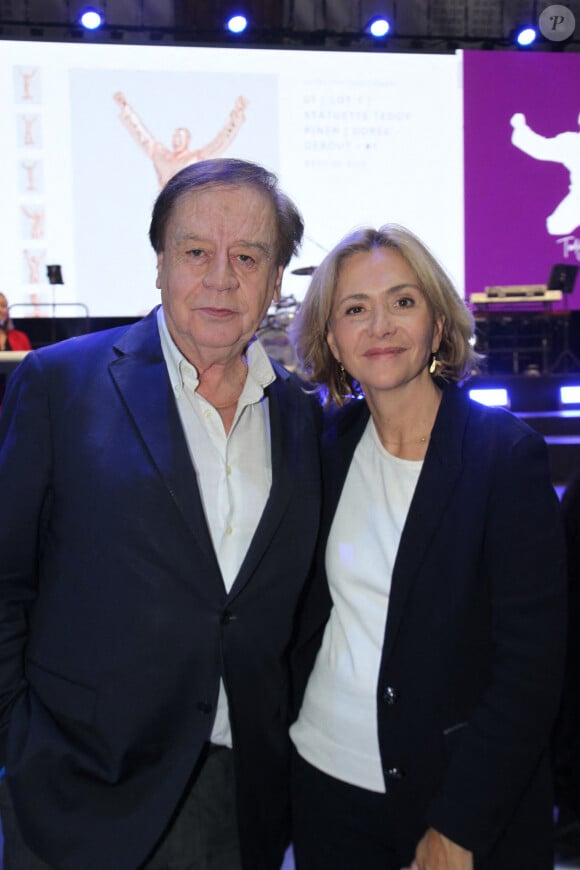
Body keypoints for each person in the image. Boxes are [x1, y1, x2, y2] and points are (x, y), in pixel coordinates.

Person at [0, 158, 321, 870]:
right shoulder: (60, 386)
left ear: (275, 282)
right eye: (196, 252)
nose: (220, 278)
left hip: (246, 797)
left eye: (247, 256)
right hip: (79, 794)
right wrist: (17, 746)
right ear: (159, 264)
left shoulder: (300, 417)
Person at [288, 224, 567, 870]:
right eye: (355, 309)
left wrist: (458, 824)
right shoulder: (323, 448)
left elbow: (530, 671)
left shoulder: (505, 456)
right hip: (325, 785)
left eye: (402, 301)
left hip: (456, 800)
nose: (379, 325)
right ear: (332, 339)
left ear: (438, 326)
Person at [114, 92, 249, 187]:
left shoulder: (196, 159)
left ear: (187, 140)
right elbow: (140, 135)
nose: (176, 140)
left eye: (179, 137)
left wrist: (237, 115)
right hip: (166, 206)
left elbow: (222, 140)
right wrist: (126, 109)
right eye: (174, 136)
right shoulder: (161, 156)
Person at [510, 111, 580, 236]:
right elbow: (540, 148)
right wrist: (520, 127)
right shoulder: (573, 143)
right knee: (556, 226)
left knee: (557, 226)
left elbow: (541, 148)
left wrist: (520, 127)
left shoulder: (572, 143)